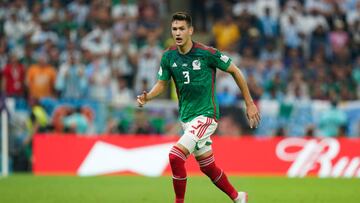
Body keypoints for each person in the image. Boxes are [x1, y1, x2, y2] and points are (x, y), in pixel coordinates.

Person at [136, 12, 260, 203]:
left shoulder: (206, 53)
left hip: (206, 116)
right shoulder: (168, 56)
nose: (178, 32)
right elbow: (162, 84)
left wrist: (249, 103)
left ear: (190, 31)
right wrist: (148, 97)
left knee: (176, 156)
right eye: (174, 29)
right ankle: (238, 197)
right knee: (208, 167)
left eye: (182, 29)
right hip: (186, 118)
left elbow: (235, 70)